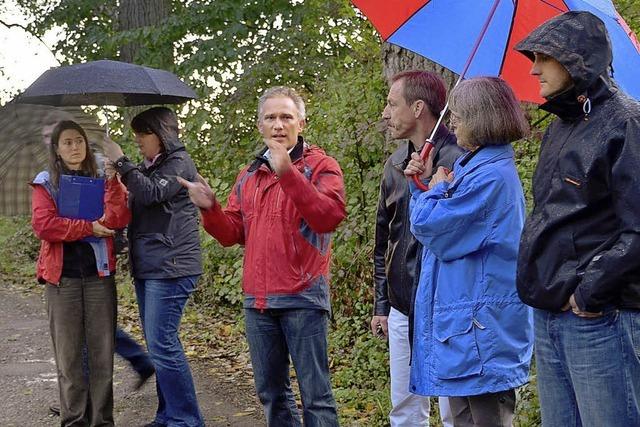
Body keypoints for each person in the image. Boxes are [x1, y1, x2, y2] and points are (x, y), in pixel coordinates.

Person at [178, 86, 345, 426]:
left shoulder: (322, 167)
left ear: (302, 123)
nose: (279, 124)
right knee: (272, 393)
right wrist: (210, 208)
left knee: (316, 396)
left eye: (286, 117)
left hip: (302, 296)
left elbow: (328, 217)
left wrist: (288, 173)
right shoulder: (250, 174)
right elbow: (232, 234)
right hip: (258, 301)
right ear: (260, 126)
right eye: (271, 117)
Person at [514, 11, 640, 427]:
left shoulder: (627, 122)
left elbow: (637, 228)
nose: (533, 69)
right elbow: (554, 217)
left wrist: (589, 293)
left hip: (599, 316)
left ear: (576, 60)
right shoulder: (562, 125)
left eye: (543, 58)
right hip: (551, 312)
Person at [405, 77, 534, 426]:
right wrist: (425, 186)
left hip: (481, 334)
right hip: (466, 331)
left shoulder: (490, 178)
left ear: (480, 119)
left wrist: (433, 191)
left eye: (459, 117)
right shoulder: (473, 170)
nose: (452, 124)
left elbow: (434, 229)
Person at [102, 107, 204, 427]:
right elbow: (134, 206)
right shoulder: (150, 166)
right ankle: (168, 416)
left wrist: (122, 163)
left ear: (161, 135)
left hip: (172, 266)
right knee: (159, 345)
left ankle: (186, 420)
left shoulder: (179, 163)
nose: (137, 142)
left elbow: (151, 194)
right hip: (150, 265)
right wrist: (115, 179)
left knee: (163, 344)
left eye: (142, 135)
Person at [372, 70, 462, 427]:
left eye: (393, 104)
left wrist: (428, 185)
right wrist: (382, 304)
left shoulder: (459, 159)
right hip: (402, 305)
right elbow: (384, 241)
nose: (385, 113)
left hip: (446, 306)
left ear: (419, 107)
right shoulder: (394, 165)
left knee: (455, 409)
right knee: (405, 407)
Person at [31, 120, 130, 426]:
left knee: (101, 356)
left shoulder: (102, 176)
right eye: (67, 143)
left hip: (99, 277)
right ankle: (74, 420)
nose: (74, 147)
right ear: (57, 150)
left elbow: (119, 217)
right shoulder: (46, 182)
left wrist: (114, 182)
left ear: (87, 145)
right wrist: (87, 227)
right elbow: (44, 225)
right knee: (70, 358)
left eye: (79, 141)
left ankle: (102, 420)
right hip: (63, 281)